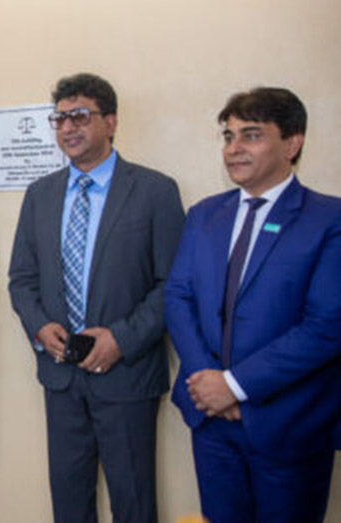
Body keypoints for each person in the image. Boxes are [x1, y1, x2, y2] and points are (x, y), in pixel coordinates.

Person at [8, 73, 185, 523]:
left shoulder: (154, 191)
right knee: (68, 498)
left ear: (111, 122)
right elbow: (21, 279)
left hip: (126, 375)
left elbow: (173, 285)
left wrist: (120, 340)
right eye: (60, 118)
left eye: (80, 116)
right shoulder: (40, 194)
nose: (68, 127)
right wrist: (38, 326)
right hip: (60, 374)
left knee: (133, 499)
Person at [165, 87, 341, 523]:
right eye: (228, 137)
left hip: (288, 423)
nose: (234, 148)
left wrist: (236, 385)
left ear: (292, 142)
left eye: (251, 135)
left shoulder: (329, 219)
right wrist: (207, 381)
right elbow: (177, 295)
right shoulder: (204, 215)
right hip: (210, 420)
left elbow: (326, 326)